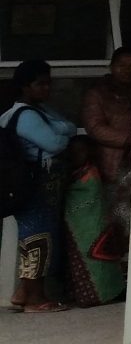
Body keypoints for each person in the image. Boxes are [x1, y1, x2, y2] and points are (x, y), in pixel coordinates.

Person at [5, 59, 80, 313]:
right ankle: (35, 299)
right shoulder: (26, 115)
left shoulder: (37, 111)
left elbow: (69, 126)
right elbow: (55, 143)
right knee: (38, 238)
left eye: (49, 83)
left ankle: (23, 292)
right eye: (40, 84)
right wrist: (62, 132)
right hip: (35, 185)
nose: (47, 89)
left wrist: (61, 129)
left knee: (34, 236)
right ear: (25, 86)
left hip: (33, 185)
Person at [80, 47, 131, 261]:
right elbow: (95, 128)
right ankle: (115, 271)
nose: (127, 70)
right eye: (122, 65)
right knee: (115, 222)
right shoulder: (98, 93)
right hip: (113, 166)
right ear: (111, 66)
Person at [60, 137, 124, 307]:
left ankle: (103, 294)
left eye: (82, 151)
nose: (78, 155)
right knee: (80, 262)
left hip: (94, 225)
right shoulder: (68, 173)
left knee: (99, 263)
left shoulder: (91, 172)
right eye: (74, 152)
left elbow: (93, 195)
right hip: (77, 229)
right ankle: (84, 296)